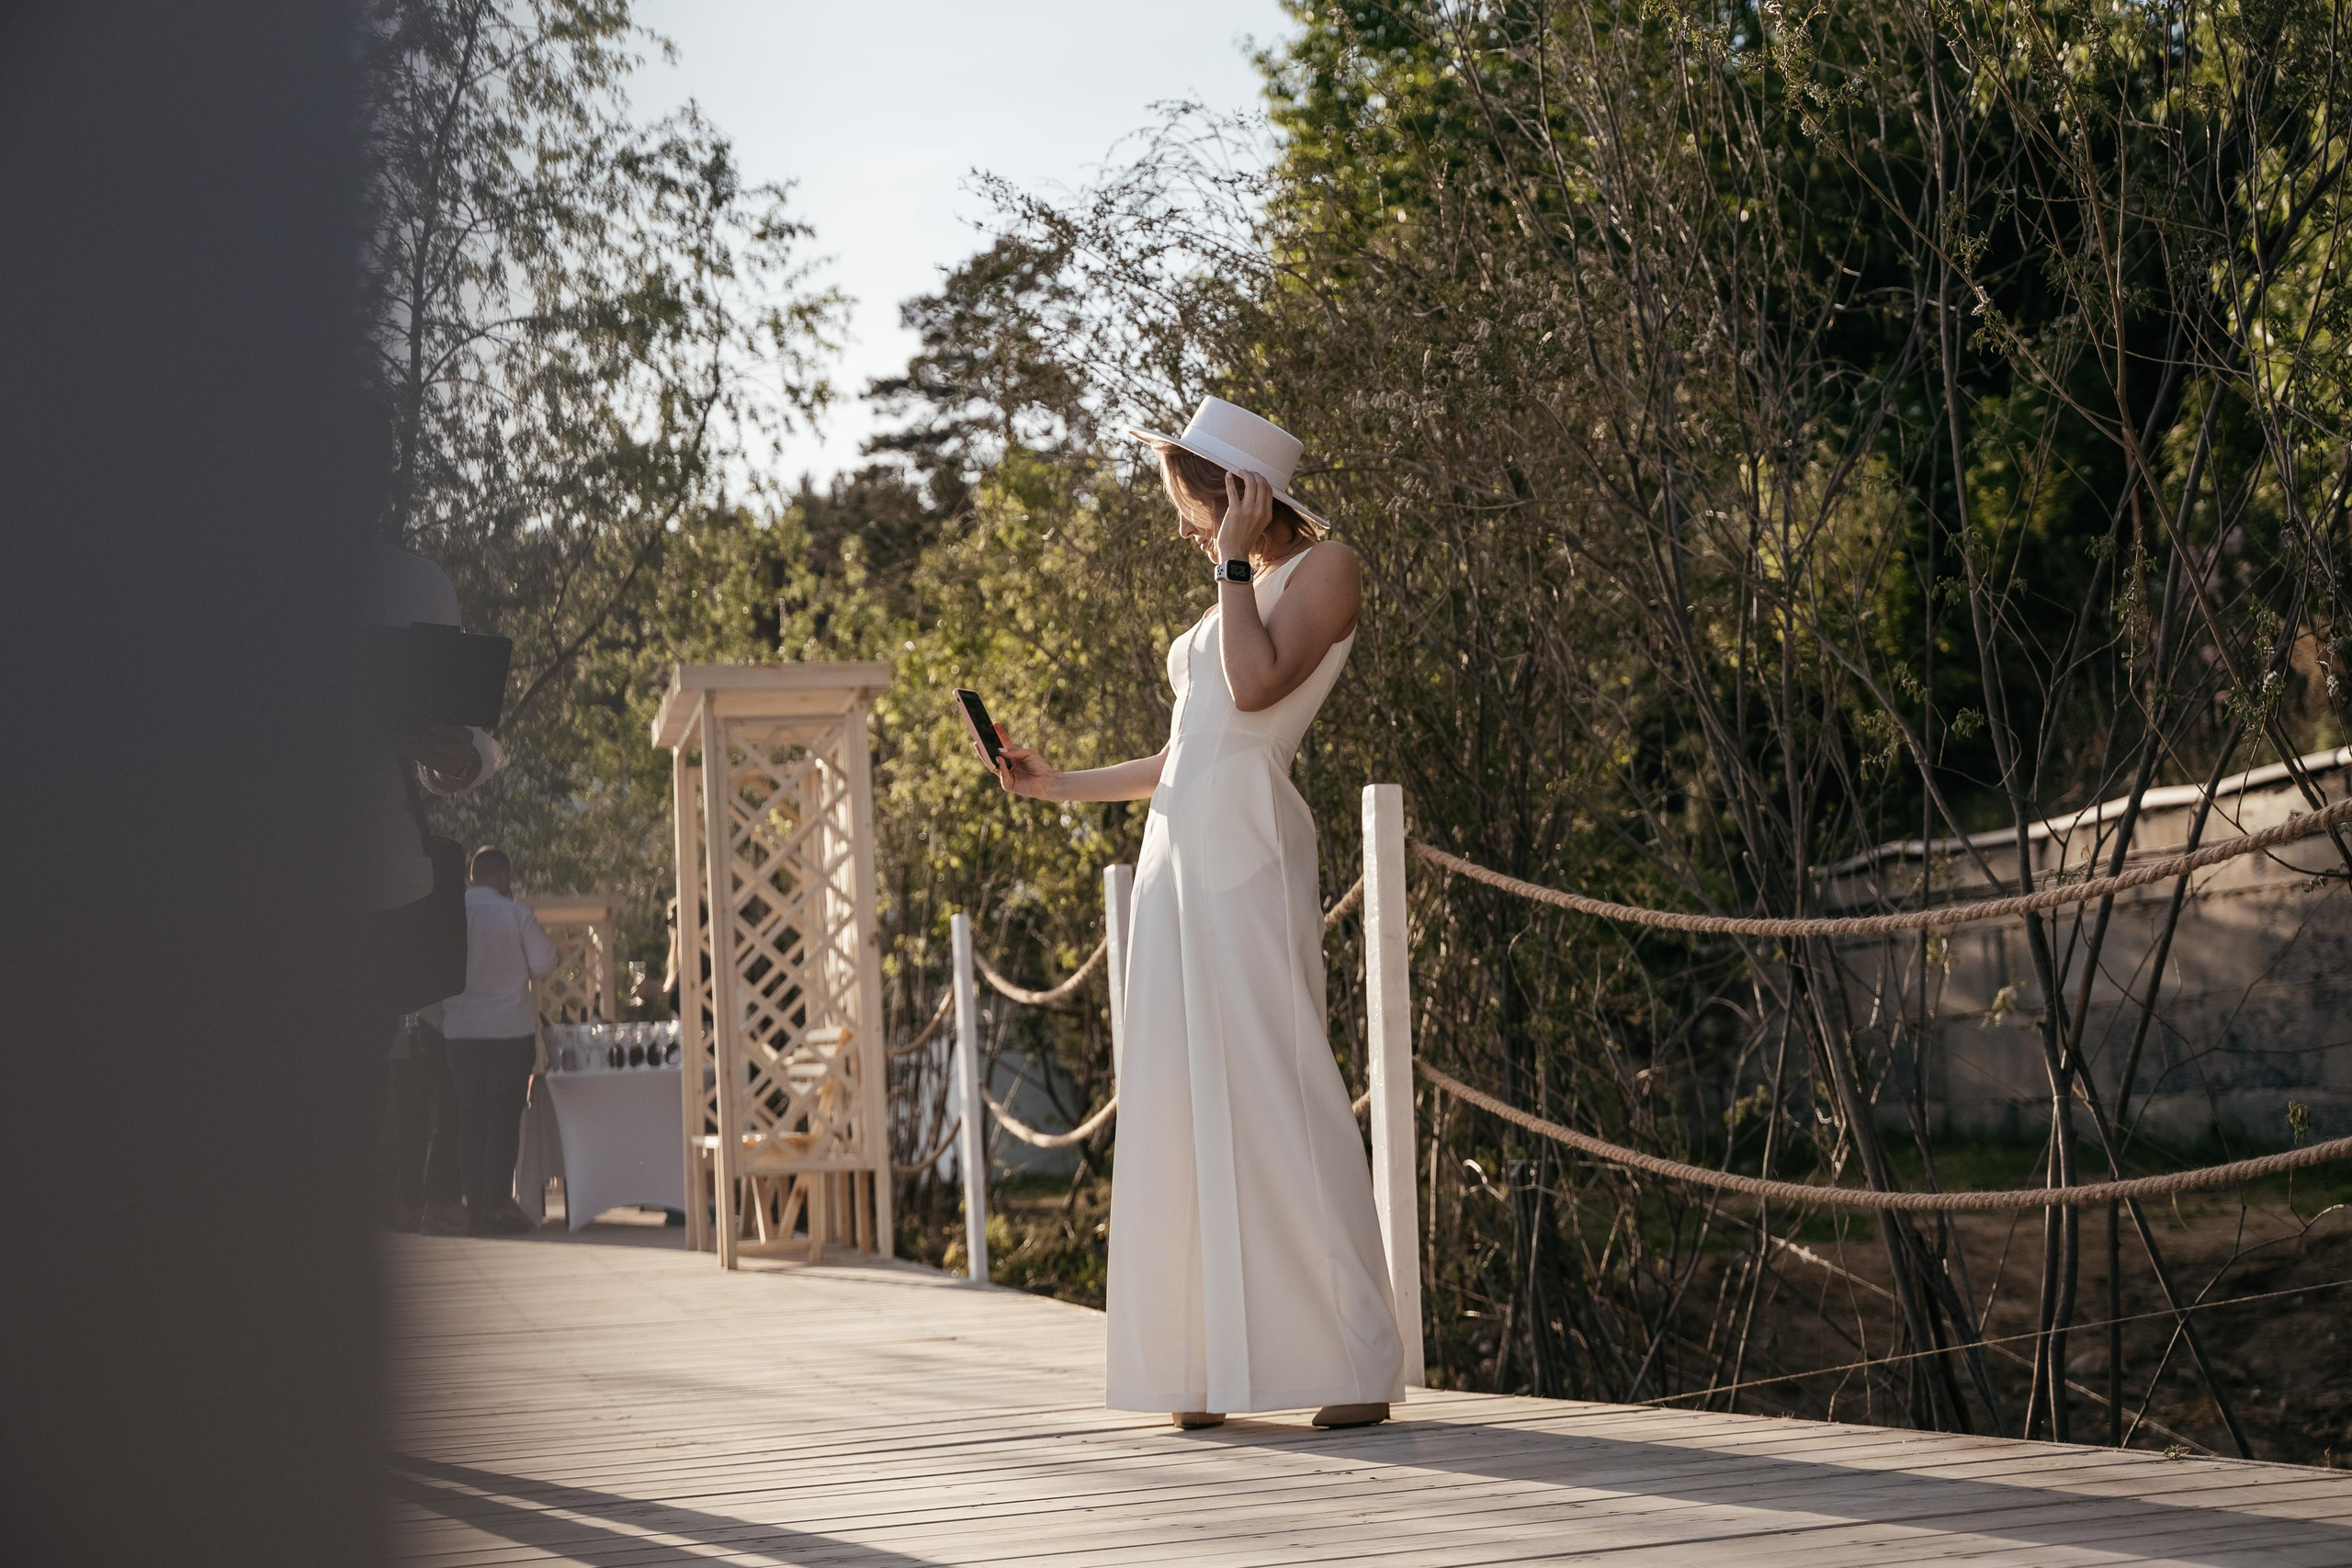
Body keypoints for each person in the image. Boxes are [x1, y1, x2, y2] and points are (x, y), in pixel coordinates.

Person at [982, 398, 1404, 1430]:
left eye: (1192, 508)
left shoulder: (1324, 569)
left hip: (1248, 846)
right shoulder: (1245, 586)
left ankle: (1350, 1362)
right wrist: (1054, 785)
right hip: (1178, 849)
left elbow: (1255, 696)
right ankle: (1205, 1369)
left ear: (1243, 499)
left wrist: (1227, 562)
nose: (1183, 529)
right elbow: (1183, 755)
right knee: (1179, 1095)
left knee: (1277, 1086)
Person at [439, 845, 559, 1235]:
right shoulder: (516, 913)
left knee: (470, 1118)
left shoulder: (451, 914)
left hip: (462, 1031)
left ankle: (473, 1205)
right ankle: (496, 1206)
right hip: (509, 1030)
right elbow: (542, 963)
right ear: (503, 876)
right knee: (503, 1120)